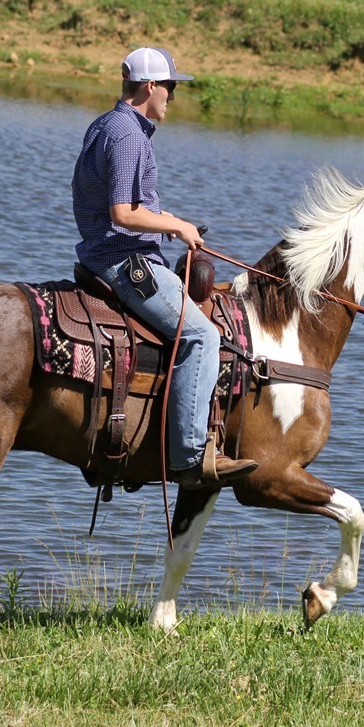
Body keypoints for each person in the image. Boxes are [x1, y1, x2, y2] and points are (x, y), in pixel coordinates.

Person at [71, 46, 258, 489]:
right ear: (150, 86)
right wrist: (175, 225)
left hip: (116, 252)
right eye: (170, 87)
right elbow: (122, 212)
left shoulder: (107, 123)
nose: (173, 96)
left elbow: (135, 206)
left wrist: (173, 224)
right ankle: (191, 457)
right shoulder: (127, 134)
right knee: (202, 335)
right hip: (123, 260)